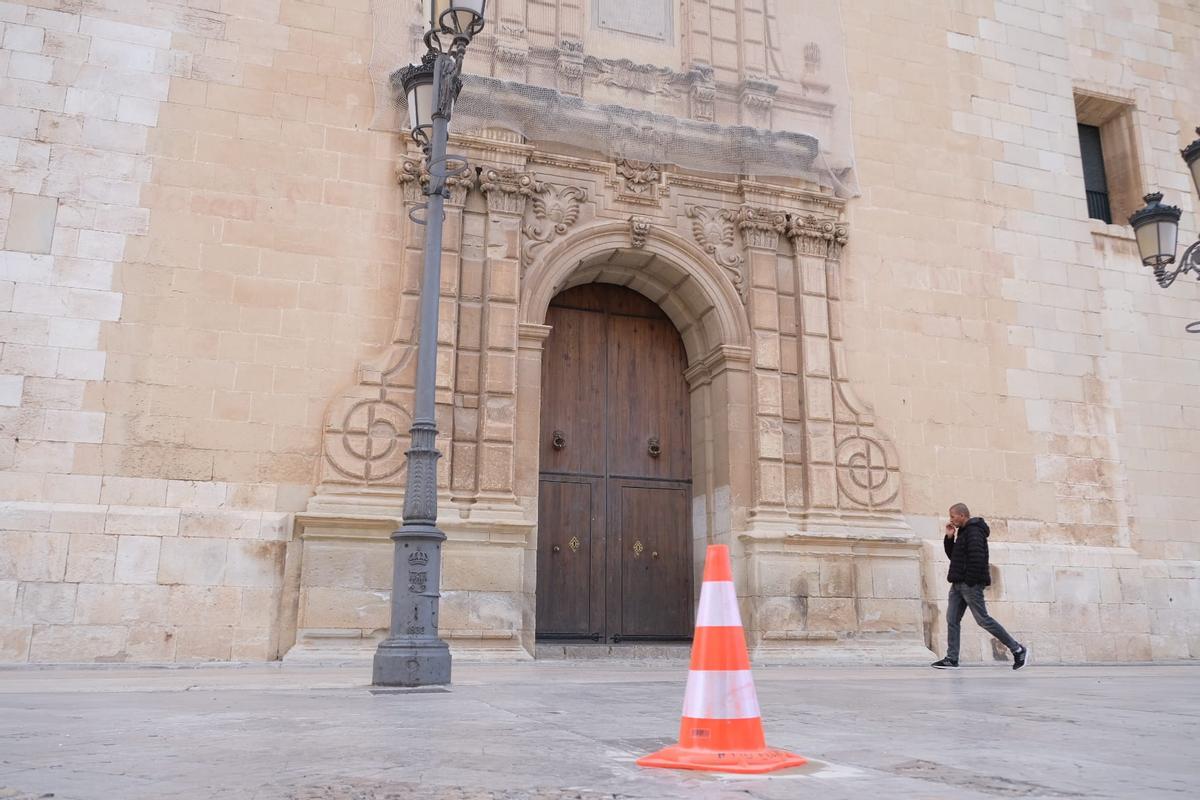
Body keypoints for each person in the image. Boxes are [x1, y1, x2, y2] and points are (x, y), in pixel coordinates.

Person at [931, 503, 1029, 670]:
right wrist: (949, 537)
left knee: (983, 620)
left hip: (969, 585)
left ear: (962, 515)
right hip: (957, 585)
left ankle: (1018, 649)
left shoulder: (975, 531)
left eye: (953, 516)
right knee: (952, 620)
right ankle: (952, 658)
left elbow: (978, 559)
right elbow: (954, 557)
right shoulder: (963, 532)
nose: (951, 520)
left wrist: (969, 582)